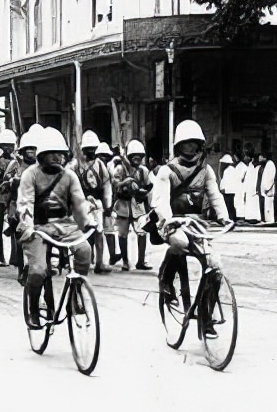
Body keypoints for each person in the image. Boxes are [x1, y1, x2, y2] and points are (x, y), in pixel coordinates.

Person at [17, 128, 96, 328]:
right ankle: (33, 307)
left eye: (60, 153)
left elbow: (78, 202)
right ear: (41, 155)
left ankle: (77, 293)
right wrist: (27, 225)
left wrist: (88, 220)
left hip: (64, 224)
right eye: (52, 153)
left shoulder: (69, 176)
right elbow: (25, 202)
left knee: (84, 250)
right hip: (37, 225)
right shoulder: (30, 174)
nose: (57, 157)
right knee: (38, 270)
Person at [151, 120, 232, 304]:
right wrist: (169, 219)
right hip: (173, 224)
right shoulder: (167, 170)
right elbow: (160, 200)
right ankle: (166, 280)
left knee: (215, 263)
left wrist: (224, 217)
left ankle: (206, 314)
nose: (190, 147)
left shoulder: (206, 170)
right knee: (180, 242)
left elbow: (215, 195)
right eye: (186, 143)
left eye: (193, 143)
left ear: (199, 145)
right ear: (178, 146)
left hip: (198, 224)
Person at [70, 130, 114, 274]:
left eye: (93, 149)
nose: (90, 152)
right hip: (81, 202)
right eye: (88, 149)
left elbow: (107, 184)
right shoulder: (75, 165)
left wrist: (108, 204)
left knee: (99, 233)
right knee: (84, 233)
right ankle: (85, 261)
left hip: (97, 204)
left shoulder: (100, 165)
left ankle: (100, 263)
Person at [2, 125, 42, 278]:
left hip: (36, 204)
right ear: (23, 151)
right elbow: (4, 185)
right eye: (29, 149)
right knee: (20, 237)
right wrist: (13, 183)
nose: (32, 152)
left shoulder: (40, 167)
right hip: (17, 203)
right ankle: (20, 269)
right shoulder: (15, 165)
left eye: (34, 149)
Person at [112, 140, 154, 271]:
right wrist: (126, 182)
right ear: (129, 156)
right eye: (134, 156)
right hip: (123, 206)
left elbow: (148, 186)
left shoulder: (143, 171)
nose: (137, 159)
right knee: (122, 234)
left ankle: (140, 261)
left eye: (139, 156)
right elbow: (114, 184)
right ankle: (125, 261)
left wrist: (143, 195)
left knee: (142, 233)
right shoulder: (120, 169)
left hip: (138, 206)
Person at [0, 128, 17, 267]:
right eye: (5, 145)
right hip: (0, 198)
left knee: (15, 225)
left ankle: (14, 256)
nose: (8, 148)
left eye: (10, 145)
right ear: (1, 147)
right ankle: (1, 257)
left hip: (13, 198)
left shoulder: (17, 161)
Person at [218, 154, 238, 221]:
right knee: (230, 205)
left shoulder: (228, 170)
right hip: (230, 190)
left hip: (228, 191)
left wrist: (223, 188)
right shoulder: (232, 169)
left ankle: (231, 218)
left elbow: (225, 181)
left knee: (229, 205)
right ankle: (232, 218)